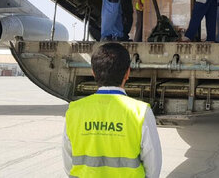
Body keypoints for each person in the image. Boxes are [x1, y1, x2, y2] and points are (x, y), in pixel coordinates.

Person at [62, 43, 162, 178]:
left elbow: (68, 162)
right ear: (127, 73)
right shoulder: (140, 112)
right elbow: (153, 164)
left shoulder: (74, 110)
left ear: (93, 72)